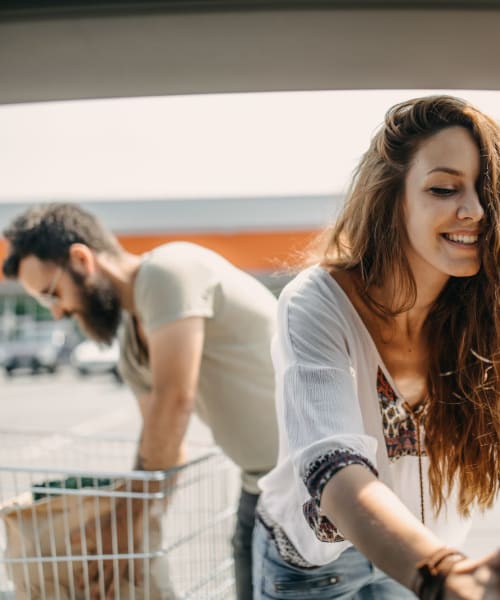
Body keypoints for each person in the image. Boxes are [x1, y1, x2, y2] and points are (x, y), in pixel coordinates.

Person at [253, 95, 500, 599]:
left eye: (486, 192)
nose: (474, 210)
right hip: (316, 570)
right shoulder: (319, 300)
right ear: (393, 198)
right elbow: (334, 468)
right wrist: (443, 574)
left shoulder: (487, 311)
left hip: (418, 557)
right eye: (444, 187)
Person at [2, 203, 279, 600]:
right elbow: (167, 449)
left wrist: (122, 525)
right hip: (261, 491)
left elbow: (174, 403)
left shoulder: (168, 272)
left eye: (52, 295)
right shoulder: (132, 352)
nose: (59, 311)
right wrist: (132, 544)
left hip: (318, 483)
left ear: (82, 259)